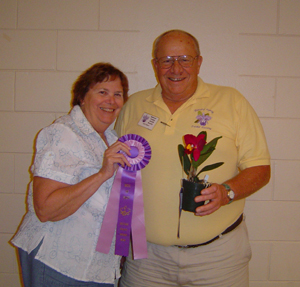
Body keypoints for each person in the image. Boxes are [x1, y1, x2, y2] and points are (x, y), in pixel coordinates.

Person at [115, 30, 271, 287]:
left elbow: (260, 168)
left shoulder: (232, 101)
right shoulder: (134, 105)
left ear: (199, 62)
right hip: (146, 260)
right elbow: (117, 171)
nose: (175, 68)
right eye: (166, 60)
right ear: (155, 65)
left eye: (185, 59)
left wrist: (226, 192)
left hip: (218, 259)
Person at [11, 62, 132, 287]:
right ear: (82, 97)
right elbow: (45, 209)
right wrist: (102, 174)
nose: (111, 100)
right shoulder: (62, 134)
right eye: (102, 92)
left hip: (98, 267)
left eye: (118, 94)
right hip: (58, 262)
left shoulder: (114, 140)